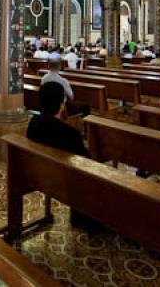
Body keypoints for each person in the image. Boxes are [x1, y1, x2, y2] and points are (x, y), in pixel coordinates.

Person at [27, 82, 101, 231]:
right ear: (62, 104)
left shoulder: (33, 123)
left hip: (38, 175)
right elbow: (86, 161)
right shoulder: (70, 133)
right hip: (64, 183)